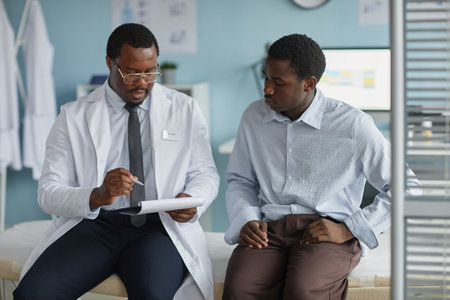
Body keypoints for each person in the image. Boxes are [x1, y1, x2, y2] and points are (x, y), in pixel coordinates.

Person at [14, 23, 219, 300]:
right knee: (33, 294)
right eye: (131, 73)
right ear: (110, 62)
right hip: (97, 226)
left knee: (153, 294)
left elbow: (205, 172)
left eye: (150, 72)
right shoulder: (73, 116)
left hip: (158, 229)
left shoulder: (184, 109)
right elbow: (48, 193)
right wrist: (97, 195)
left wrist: (192, 200)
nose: (142, 82)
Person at [222, 34, 421, 300]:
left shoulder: (352, 125)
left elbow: (408, 186)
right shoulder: (253, 116)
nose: (267, 89)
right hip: (270, 229)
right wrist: (247, 217)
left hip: (326, 231)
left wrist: (350, 228)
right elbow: (240, 180)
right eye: (266, 78)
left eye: (278, 82)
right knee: (240, 288)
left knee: (302, 290)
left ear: (309, 83)